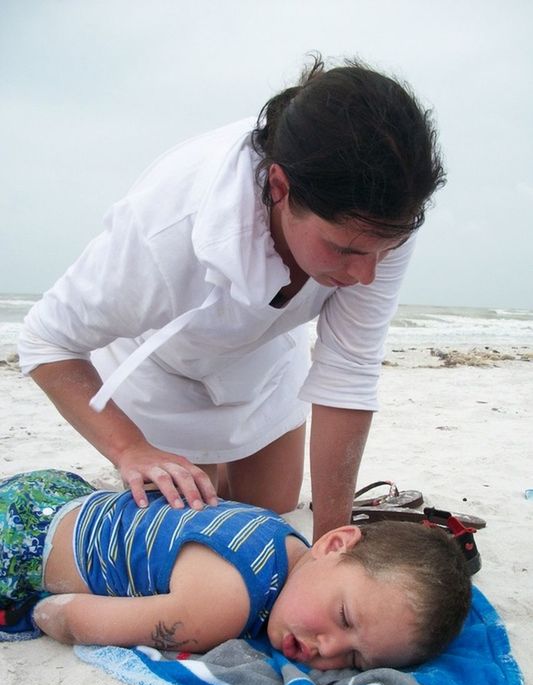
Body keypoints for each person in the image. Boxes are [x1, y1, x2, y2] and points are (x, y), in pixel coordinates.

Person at [17, 55, 446, 542]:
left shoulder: (380, 218)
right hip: (165, 371)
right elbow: (45, 342)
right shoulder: (165, 230)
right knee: (197, 532)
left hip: (262, 360)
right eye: (344, 250)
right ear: (280, 188)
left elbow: (349, 373)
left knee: (272, 511)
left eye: (382, 252)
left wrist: (333, 543)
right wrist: (130, 449)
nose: (365, 275)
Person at [1, 470, 471, 670]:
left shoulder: (285, 541)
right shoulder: (222, 606)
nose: (328, 648)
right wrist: (38, 614)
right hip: (23, 538)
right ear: (334, 542)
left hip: (63, 492)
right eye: (345, 618)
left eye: (353, 661)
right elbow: (72, 618)